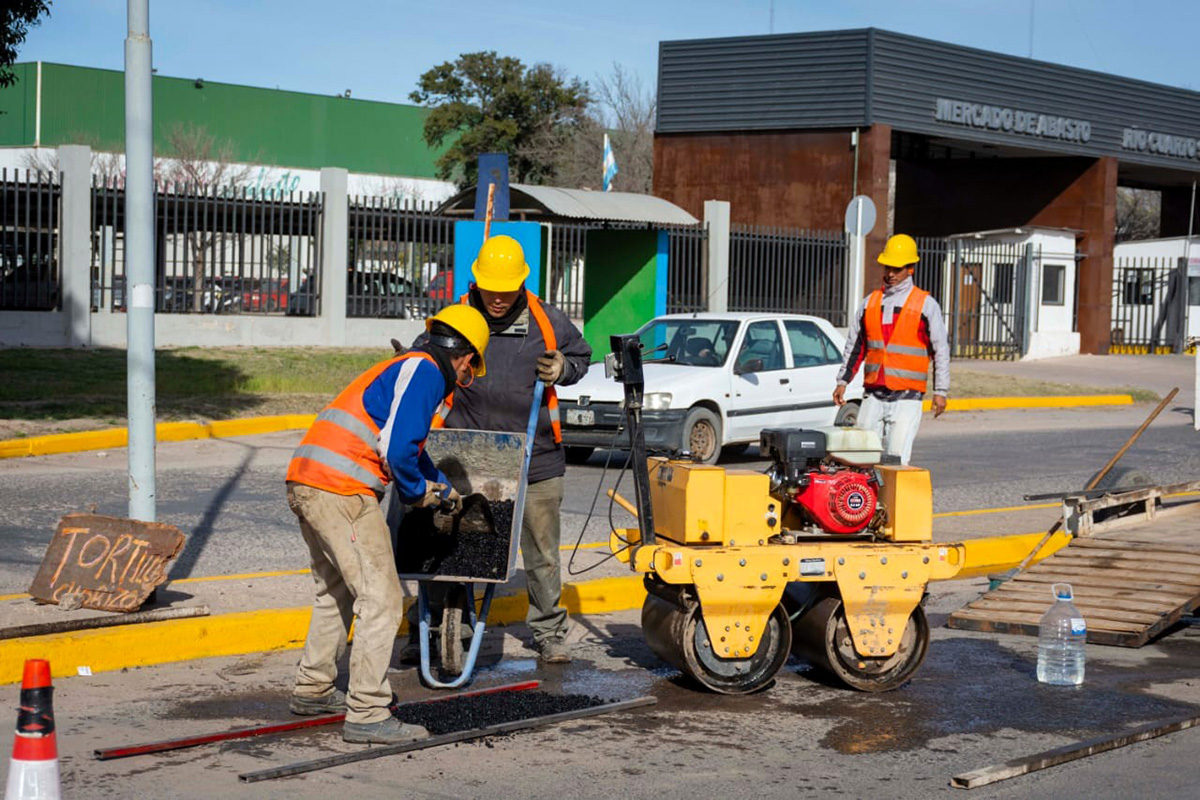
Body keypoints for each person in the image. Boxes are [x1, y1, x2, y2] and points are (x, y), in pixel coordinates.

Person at [284, 304, 489, 745]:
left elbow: (409, 447)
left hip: (309, 480)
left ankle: (314, 687)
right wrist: (418, 495)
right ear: (465, 358)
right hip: (343, 490)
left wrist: (440, 484)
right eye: (470, 370)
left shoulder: (404, 366)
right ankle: (367, 713)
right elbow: (397, 451)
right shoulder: (429, 371)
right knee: (382, 600)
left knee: (334, 590)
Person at [407, 234, 592, 665]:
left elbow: (582, 356)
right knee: (449, 543)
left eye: (506, 290)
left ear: (520, 284)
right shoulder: (456, 316)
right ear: (478, 281)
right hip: (465, 452)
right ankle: (436, 625)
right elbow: (422, 354)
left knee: (542, 551)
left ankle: (549, 631)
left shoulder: (547, 321)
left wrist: (565, 368)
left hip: (535, 455)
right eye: (490, 288)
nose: (497, 298)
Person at [832, 233, 949, 464]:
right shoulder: (870, 303)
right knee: (863, 460)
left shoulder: (925, 305)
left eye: (897, 269)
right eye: (888, 268)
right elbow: (854, 347)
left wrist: (941, 391)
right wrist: (842, 381)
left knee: (896, 461)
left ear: (910, 269)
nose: (891, 274)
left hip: (907, 398)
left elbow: (941, 350)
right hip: (873, 396)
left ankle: (892, 501)